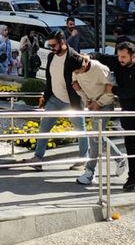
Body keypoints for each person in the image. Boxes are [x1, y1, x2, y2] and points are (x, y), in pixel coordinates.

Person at [22, 30, 88, 171]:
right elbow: (50, 79)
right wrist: (45, 97)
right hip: (54, 99)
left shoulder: (74, 58)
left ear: (63, 42)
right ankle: (38, 159)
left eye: (54, 45)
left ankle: (84, 159)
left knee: (80, 130)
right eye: (49, 44)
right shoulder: (52, 56)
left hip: (72, 102)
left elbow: (88, 74)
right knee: (44, 128)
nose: (51, 48)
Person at [92, 41, 135, 191]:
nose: (120, 59)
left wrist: (112, 89)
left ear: (134, 56)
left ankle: (133, 178)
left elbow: (127, 92)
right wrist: (89, 56)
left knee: (131, 143)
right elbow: (103, 57)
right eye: (119, 56)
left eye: (124, 57)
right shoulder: (119, 62)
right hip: (127, 110)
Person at [71, 57, 127, 185]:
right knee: (97, 136)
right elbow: (76, 86)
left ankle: (90, 172)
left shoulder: (100, 68)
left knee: (95, 136)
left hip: (105, 104)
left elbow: (110, 89)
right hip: (93, 103)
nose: (78, 73)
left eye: (79, 71)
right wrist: (88, 101)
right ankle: (119, 158)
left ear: (85, 64)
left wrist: (99, 103)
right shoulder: (75, 69)